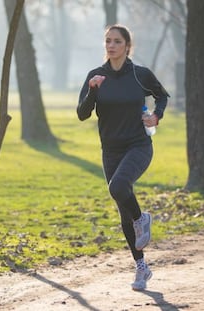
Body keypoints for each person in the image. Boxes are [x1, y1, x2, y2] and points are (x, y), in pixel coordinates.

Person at [77, 24, 169, 291]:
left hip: (138, 145)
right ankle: (141, 267)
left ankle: (142, 219)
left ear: (127, 46)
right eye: (108, 41)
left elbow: (161, 95)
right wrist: (93, 91)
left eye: (117, 41)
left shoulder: (139, 75)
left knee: (117, 187)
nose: (111, 46)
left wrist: (156, 115)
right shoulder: (95, 76)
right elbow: (82, 114)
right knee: (122, 211)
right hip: (111, 150)